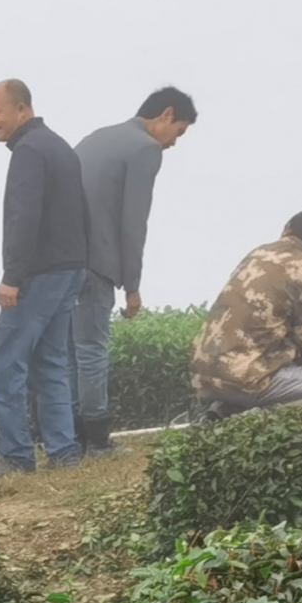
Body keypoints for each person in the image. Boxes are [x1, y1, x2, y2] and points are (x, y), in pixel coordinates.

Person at [69, 87, 197, 450]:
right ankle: (96, 440)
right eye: (180, 132)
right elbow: (133, 221)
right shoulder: (145, 148)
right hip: (98, 263)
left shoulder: (97, 137)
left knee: (67, 353)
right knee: (92, 349)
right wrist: (132, 285)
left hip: (65, 261)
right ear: (166, 115)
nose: (174, 143)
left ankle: (69, 439)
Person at [0, 80, 88, 469]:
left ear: (22, 109)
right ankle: (63, 452)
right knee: (51, 362)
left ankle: (16, 454)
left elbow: (22, 217)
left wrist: (13, 276)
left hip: (39, 273)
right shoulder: (58, 146)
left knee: (3, 364)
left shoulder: (28, 151)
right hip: (70, 268)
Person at [189, 212, 302, 418]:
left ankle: (220, 413)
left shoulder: (257, 254)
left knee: (272, 366)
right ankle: (256, 421)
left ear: (287, 229)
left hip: (204, 373)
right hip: (248, 379)